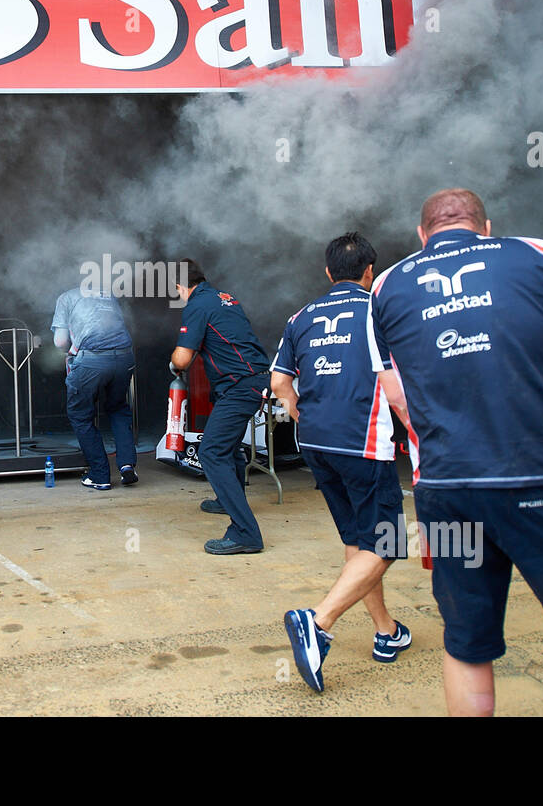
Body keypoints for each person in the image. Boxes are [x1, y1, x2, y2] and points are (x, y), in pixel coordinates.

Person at [367, 188, 543, 716]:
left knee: (467, 644)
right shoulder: (539, 254)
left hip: (447, 492)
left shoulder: (386, 284)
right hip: (542, 479)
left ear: (422, 234)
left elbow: (397, 395)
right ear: (486, 227)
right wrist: (539, 406)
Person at [270, 232, 411, 692]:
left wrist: (300, 413)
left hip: (314, 443)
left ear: (329, 273)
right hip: (362, 442)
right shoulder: (381, 309)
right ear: (370, 271)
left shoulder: (301, 316)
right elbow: (403, 375)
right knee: (385, 542)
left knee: (359, 539)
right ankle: (320, 621)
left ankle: (386, 631)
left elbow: (278, 382)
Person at [170, 259, 270, 554]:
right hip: (250, 381)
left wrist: (174, 359)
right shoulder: (226, 298)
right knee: (229, 447)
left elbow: (182, 359)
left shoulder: (197, 305)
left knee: (211, 452)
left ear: (180, 286)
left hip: (240, 385)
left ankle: (245, 533)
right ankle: (226, 500)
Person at [52, 285, 137, 489]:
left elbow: (60, 341)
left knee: (80, 415)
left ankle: (100, 476)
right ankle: (127, 466)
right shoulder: (108, 294)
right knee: (118, 408)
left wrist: (69, 350)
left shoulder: (66, 297)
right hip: (125, 357)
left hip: (91, 360)